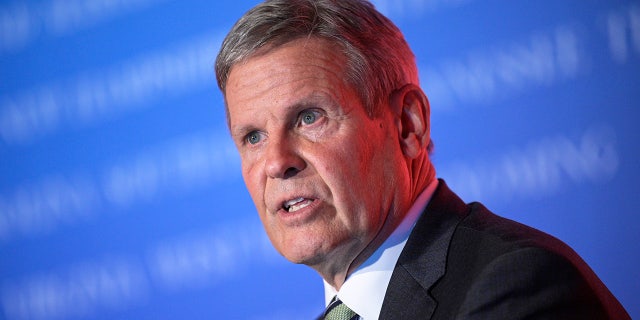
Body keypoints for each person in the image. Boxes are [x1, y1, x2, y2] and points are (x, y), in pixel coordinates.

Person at [214, 0, 630, 319]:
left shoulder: (514, 287)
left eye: (309, 117)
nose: (275, 162)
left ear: (407, 125)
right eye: (253, 137)